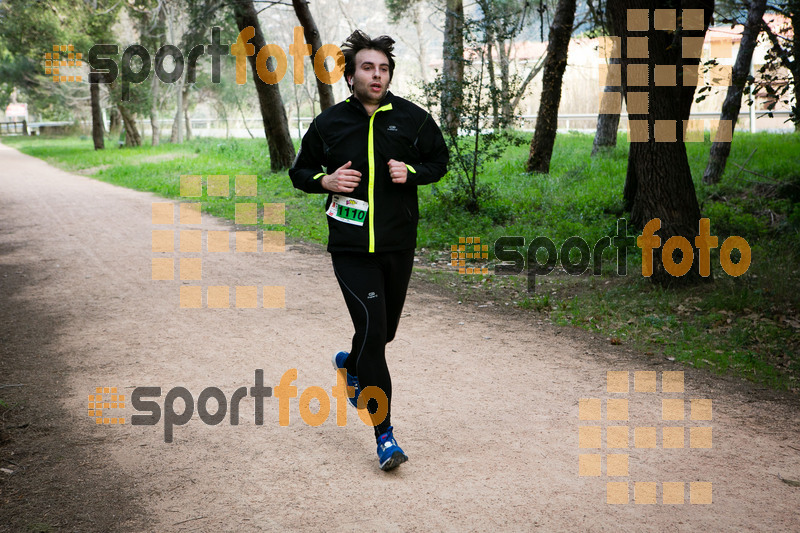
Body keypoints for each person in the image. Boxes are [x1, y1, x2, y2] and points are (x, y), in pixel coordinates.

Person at [289, 30, 449, 471]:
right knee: (375, 337)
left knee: (383, 333)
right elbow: (299, 170)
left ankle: (350, 366)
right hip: (351, 247)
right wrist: (325, 181)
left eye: (383, 69)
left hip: (398, 244)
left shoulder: (413, 119)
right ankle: (386, 436)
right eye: (367, 68)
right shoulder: (329, 124)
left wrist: (411, 171)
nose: (376, 76)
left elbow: (440, 160)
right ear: (351, 74)